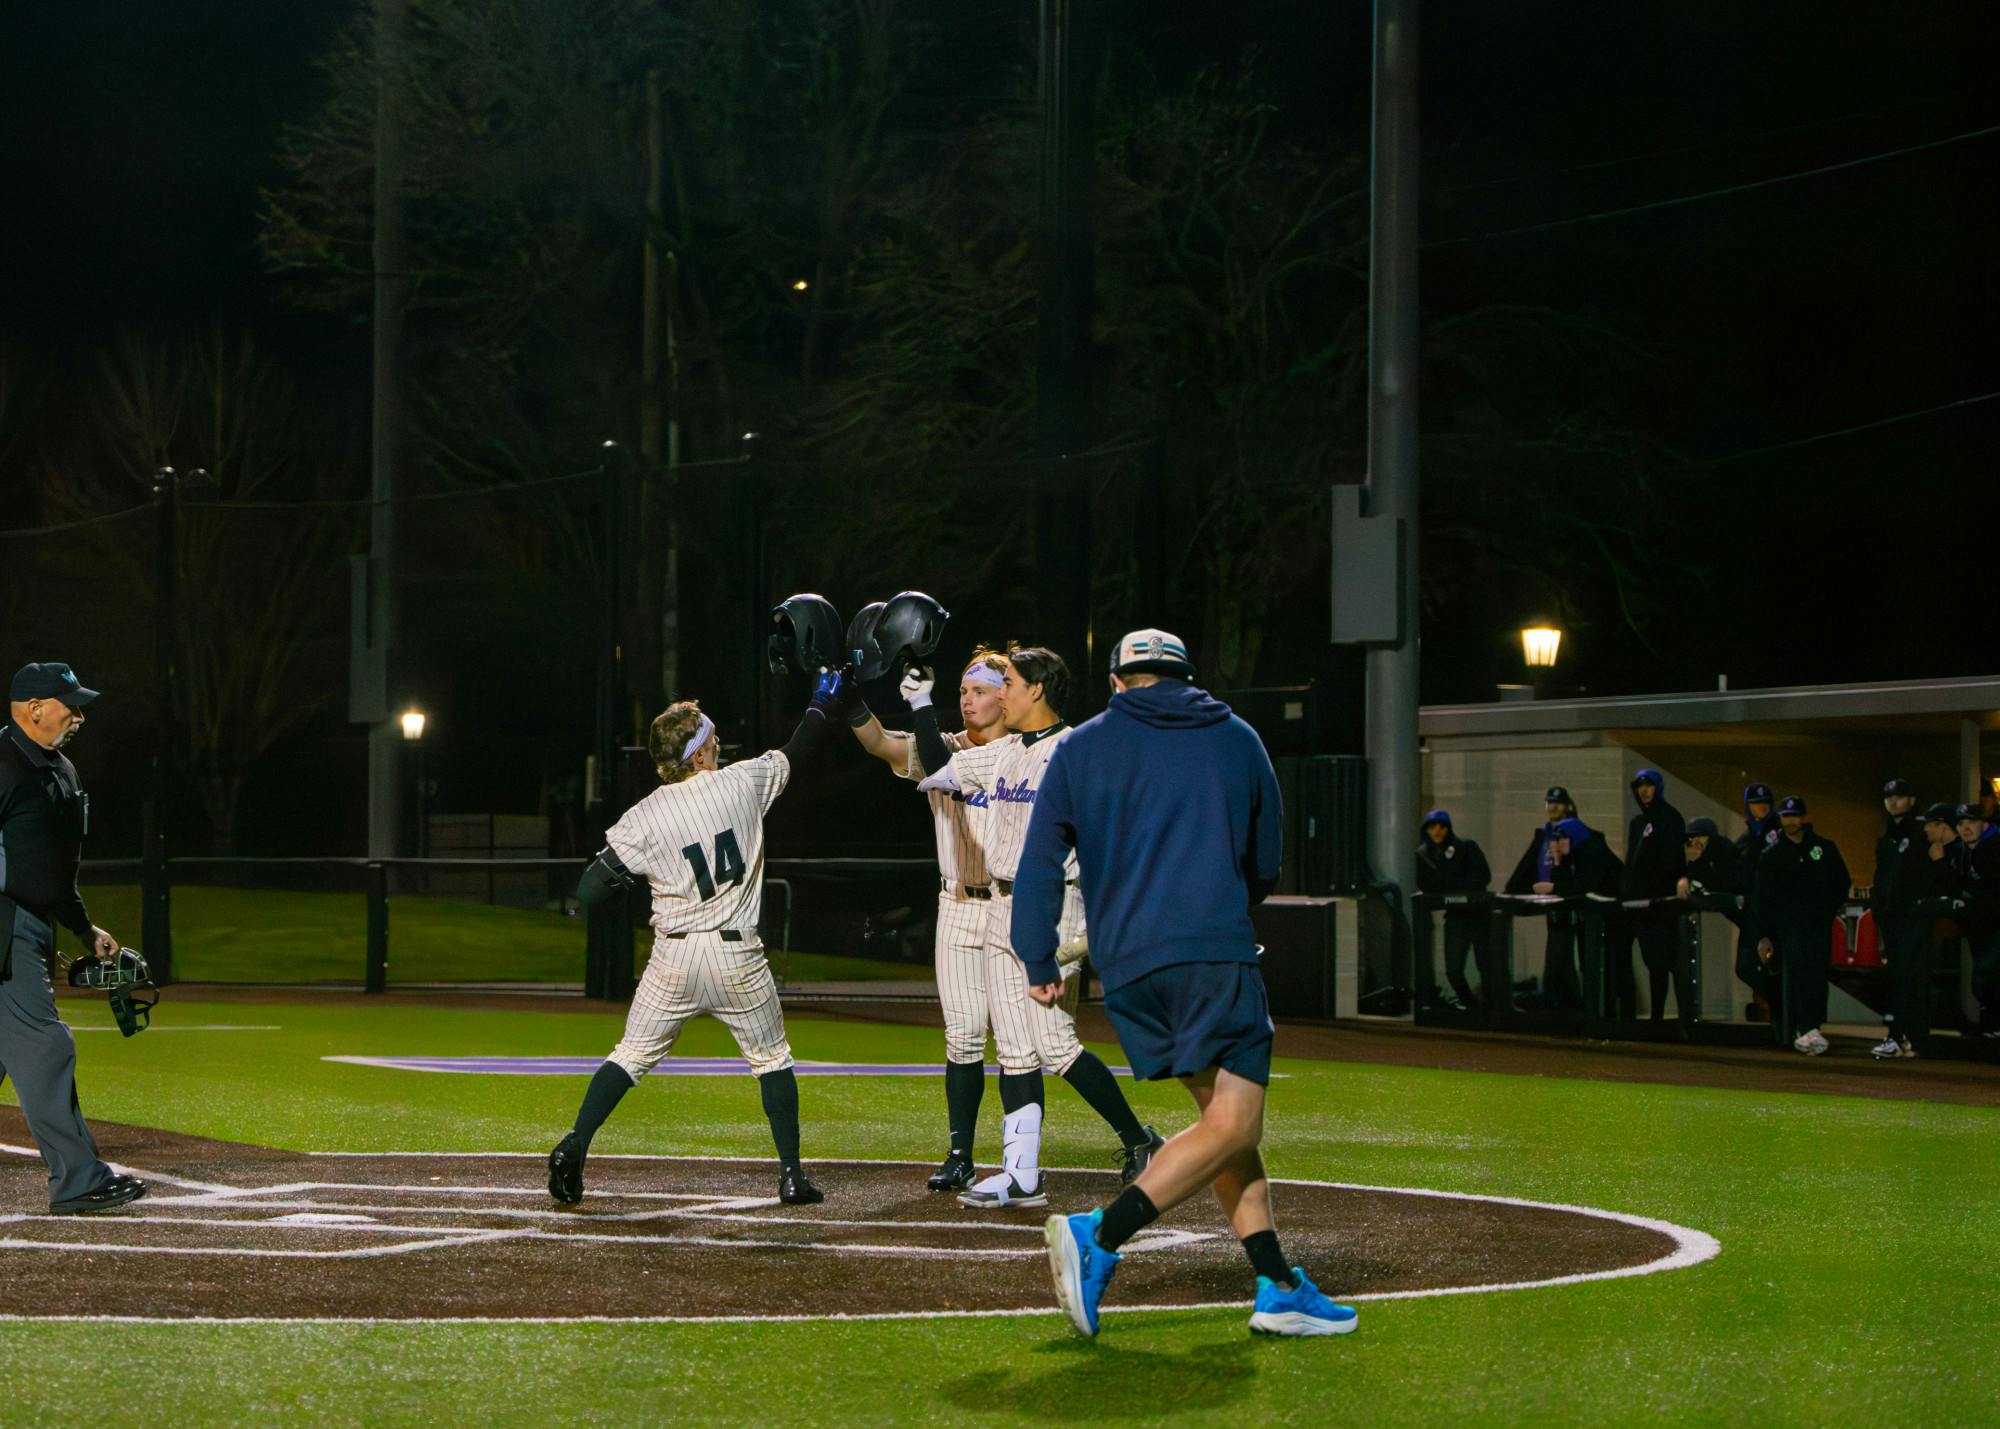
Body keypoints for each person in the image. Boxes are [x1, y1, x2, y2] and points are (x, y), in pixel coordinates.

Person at [1019, 629, 1354, 1339]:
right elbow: (1267, 858)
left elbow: (1042, 859)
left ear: (1117, 681)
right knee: (1235, 1122)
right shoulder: (1236, 736)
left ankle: (1277, 1281)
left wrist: (1037, 956)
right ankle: (1100, 1233)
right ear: (1187, 676)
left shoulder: (1079, 747)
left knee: (1221, 1124)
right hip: (1210, 950)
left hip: (1131, 967)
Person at [547, 670, 858, 1207]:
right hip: (737, 951)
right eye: (711, 739)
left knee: (630, 1056)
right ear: (696, 753)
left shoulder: (645, 815)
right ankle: (790, 1175)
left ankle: (576, 1143)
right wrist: (821, 701)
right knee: (772, 1059)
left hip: (674, 953)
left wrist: (641, 878)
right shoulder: (742, 782)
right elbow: (799, 749)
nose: (718, 743)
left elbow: (589, 891)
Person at [913, 646, 1163, 1209]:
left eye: (1010, 682)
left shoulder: (1077, 752)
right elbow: (938, 768)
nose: (1001, 692)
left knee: (1054, 1044)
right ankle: (1021, 1173)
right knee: (1019, 1053)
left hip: (1052, 907)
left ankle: (1141, 1140)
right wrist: (923, 703)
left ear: (1037, 691)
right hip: (1003, 906)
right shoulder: (1005, 752)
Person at [847, 648, 1009, 1190]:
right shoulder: (951, 745)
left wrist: (921, 704)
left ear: (1011, 694)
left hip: (1014, 906)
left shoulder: (1026, 753)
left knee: (1034, 1046)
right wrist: (849, 695)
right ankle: (961, 1153)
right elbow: (878, 742)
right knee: (963, 1039)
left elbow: (944, 766)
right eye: (963, 690)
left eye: (980, 689)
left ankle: (1122, 1138)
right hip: (957, 904)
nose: (967, 698)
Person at [0, 662, 148, 1213]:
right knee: (45, 1046)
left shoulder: (61, 771)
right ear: (34, 708)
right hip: (5, 926)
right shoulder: (3, 763)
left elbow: (55, 870)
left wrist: (85, 929)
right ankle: (80, 1179)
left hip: (31, 927)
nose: (79, 715)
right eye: (70, 704)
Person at [1753, 796, 1851, 1056]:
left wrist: (1827, 909)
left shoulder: (1824, 848)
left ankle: (1813, 1026)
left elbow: (1841, 882)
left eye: (1795, 815)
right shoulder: (1773, 855)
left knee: (1817, 974)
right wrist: (1766, 933)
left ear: (1804, 817)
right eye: (1786, 816)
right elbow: (1763, 897)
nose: (1791, 821)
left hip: (1818, 924)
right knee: (1795, 973)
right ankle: (1803, 1028)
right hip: (1787, 927)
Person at [1504, 786, 1582, 1008]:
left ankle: (1567, 1005)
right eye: (1549, 802)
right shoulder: (1545, 835)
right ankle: (1561, 1004)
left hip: (1567, 903)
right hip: (1551, 903)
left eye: (1557, 803)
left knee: (1560, 956)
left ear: (1567, 806)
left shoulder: (1574, 832)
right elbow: (1528, 867)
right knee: (1558, 955)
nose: (1553, 807)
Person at [1620, 770, 1688, 1024]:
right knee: (1653, 963)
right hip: (1638, 907)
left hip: (1661, 906)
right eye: (1640, 786)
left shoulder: (1670, 818)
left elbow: (1674, 861)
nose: (1644, 790)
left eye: (1649, 785)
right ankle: (1655, 1019)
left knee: (1668, 963)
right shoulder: (1638, 823)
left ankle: (1680, 1019)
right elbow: (1632, 864)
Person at [1869, 779, 1930, 1059]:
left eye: (1900, 796)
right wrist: (1880, 911)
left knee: (1909, 977)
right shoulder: (1888, 837)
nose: (1893, 801)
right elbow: (1882, 880)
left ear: (1912, 799)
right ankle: (1909, 1038)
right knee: (1899, 976)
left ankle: (1903, 1036)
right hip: (1892, 919)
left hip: (1913, 918)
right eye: (1889, 796)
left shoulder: (1919, 832)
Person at [1414, 809, 1494, 1011]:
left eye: (1442, 826)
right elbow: (1426, 885)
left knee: (1486, 965)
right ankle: (1472, 1006)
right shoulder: (1424, 855)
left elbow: (1482, 877)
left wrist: (1449, 885)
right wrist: (1457, 885)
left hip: (1479, 915)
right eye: (1433, 827)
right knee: (1453, 970)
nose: (1438, 831)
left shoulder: (1467, 847)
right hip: (1456, 917)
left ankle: (1491, 1007)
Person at [1549, 815, 1628, 1015]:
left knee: (1608, 970)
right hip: (1592, 921)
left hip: (1612, 922)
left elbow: (1584, 887)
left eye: (1561, 839)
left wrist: (1554, 886)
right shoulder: (1575, 856)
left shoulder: (1594, 853)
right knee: (1590, 967)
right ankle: (1594, 1012)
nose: (1557, 844)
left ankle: (1607, 1016)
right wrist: (1558, 863)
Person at [1733, 782, 1783, 1019]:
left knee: (1772, 964)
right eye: (1755, 804)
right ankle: (1767, 1006)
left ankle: (1774, 1011)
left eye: (1764, 804)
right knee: (1746, 965)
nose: (1760, 808)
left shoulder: (1780, 834)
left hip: (1775, 912)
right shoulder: (1746, 838)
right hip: (1752, 912)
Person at [1953, 802, 2000, 1038]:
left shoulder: (1993, 848)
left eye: (1971, 822)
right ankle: (1990, 1023)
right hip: (1979, 924)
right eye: (1961, 823)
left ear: (1984, 823)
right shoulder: (1963, 852)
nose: (1966, 828)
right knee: (1983, 974)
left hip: (1995, 923)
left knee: (1987, 972)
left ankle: (1993, 1023)